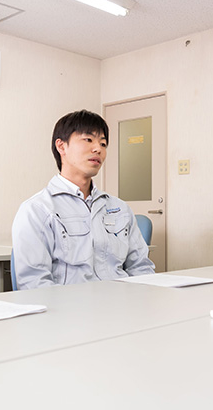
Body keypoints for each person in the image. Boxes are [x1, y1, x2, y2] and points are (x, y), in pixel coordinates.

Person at [12, 110, 154, 288]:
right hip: (70, 311)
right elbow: (34, 284)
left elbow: (141, 268)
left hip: (122, 306)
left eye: (103, 143)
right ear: (61, 146)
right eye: (88, 140)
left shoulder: (119, 208)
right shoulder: (38, 209)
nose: (98, 149)